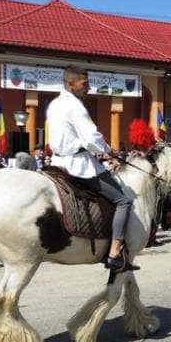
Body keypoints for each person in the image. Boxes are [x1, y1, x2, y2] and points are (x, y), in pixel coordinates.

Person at [47, 66, 136, 272]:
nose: (88, 88)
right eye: (84, 84)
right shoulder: (75, 106)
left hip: (58, 162)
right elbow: (91, 137)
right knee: (124, 201)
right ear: (71, 84)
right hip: (79, 165)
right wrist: (109, 152)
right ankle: (115, 252)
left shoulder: (55, 104)